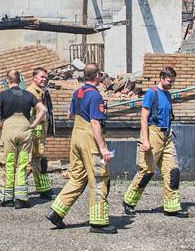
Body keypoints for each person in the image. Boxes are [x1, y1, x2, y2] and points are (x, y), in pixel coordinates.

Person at [46, 63, 116, 234]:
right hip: (89, 138)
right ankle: (99, 222)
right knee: (99, 178)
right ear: (97, 75)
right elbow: (95, 123)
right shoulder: (95, 95)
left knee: (77, 177)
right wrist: (103, 148)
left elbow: (70, 114)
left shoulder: (78, 92)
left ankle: (57, 211)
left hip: (76, 136)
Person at [123, 66, 186, 217]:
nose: (171, 84)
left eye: (173, 81)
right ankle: (129, 201)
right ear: (162, 78)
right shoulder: (152, 93)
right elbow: (144, 117)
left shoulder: (168, 94)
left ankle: (172, 207)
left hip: (167, 136)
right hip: (153, 134)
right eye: (169, 81)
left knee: (173, 171)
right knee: (146, 171)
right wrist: (145, 140)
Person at [0, 69, 48, 209]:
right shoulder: (28, 94)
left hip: (8, 131)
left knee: (8, 163)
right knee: (22, 164)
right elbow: (43, 110)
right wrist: (33, 125)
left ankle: (6, 198)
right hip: (25, 130)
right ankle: (21, 199)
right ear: (20, 80)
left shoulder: (3, 95)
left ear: (7, 80)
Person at [25, 67, 55, 199]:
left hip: (39, 133)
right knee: (27, 163)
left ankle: (43, 189)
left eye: (46, 77)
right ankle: (17, 190)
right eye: (42, 77)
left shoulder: (42, 92)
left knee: (40, 161)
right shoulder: (30, 93)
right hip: (32, 134)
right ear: (34, 78)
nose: (44, 79)